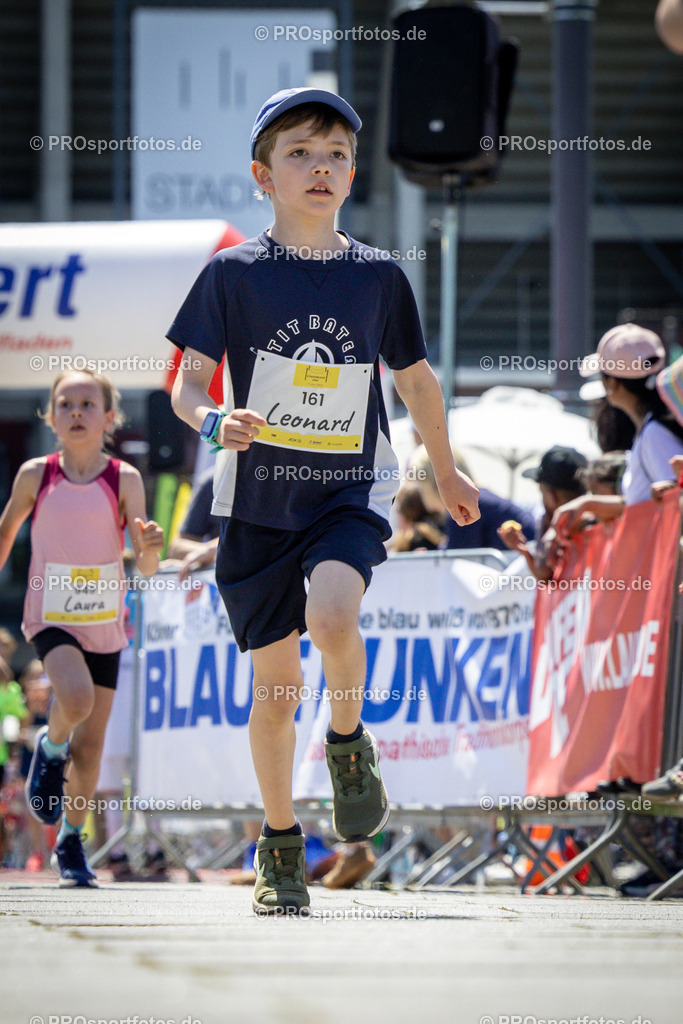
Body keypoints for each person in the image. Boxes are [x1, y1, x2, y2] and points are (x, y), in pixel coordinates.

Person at [168, 86, 480, 914]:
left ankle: (347, 744)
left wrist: (444, 470)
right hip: (255, 501)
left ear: (351, 175)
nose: (322, 167)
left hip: (346, 490)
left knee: (334, 618)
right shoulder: (229, 276)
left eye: (337, 154)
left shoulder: (379, 275)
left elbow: (413, 380)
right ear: (261, 175)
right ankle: (278, 847)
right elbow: (187, 385)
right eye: (300, 152)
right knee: (273, 690)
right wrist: (211, 420)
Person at [0, 370, 164, 888]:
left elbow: (149, 564)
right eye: (65, 403)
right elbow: (5, 536)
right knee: (74, 698)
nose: (76, 412)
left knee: (91, 751)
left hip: (105, 625)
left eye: (88, 404)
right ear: (49, 417)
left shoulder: (125, 479)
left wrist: (151, 547)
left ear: (109, 418)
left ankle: (71, 842)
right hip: (51, 617)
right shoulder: (35, 475)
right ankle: (50, 748)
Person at [553, 324, 683, 535]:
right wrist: (589, 504)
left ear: (612, 383)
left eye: (601, 376)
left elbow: (673, 499)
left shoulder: (654, 434)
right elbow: (645, 500)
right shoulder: (650, 429)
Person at [409, 443, 535, 552]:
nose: (420, 492)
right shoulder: (475, 497)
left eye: (420, 484)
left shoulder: (465, 503)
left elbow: (456, 557)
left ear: (433, 482)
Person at [498, 446, 587, 581]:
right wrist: (525, 551)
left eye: (541, 491)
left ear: (552, 496)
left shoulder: (566, 530)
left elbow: (545, 574)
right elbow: (546, 575)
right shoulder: (600, 522)